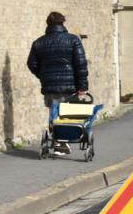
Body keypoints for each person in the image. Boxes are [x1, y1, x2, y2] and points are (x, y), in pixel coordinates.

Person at [27, 11, 88, 155]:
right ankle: (61, 141)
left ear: (48, 24)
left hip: (49, 85)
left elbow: (31, 63)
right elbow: (81, 64)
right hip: (70, 84)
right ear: (63, 23)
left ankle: (57, 140)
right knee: (66, 113)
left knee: (54, 111)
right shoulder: (73, 40)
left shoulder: (39, 42)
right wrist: (82, 87)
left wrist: (43, 76)